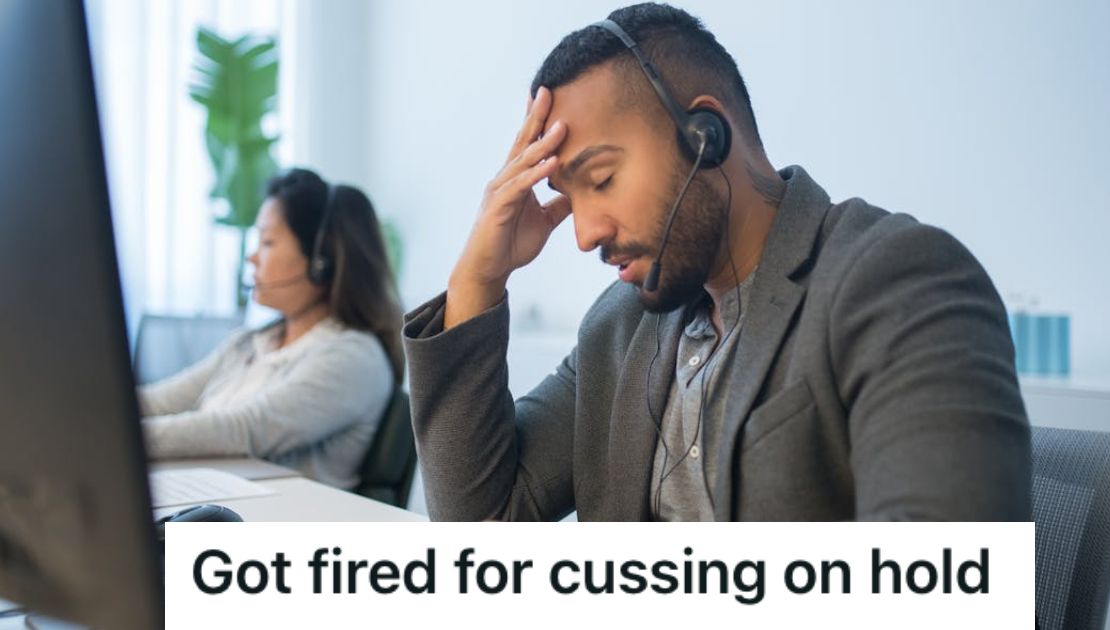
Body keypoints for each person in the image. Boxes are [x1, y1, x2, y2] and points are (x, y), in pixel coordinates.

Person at [403, 3, 1031, 520]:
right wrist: (477, 280)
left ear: (705, 135)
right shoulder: (619, 330)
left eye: (603, 177)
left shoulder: (897, 281)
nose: (585, 234)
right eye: (570, 199)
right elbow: (481, 528)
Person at [139, 168, 404, 490]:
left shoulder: (353, 357)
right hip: (214, 500)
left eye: (267, 242)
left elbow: (244, 431)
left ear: (322, 259)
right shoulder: (250, 344)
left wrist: (120, 435)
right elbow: (162, 401)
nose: (252, 257)